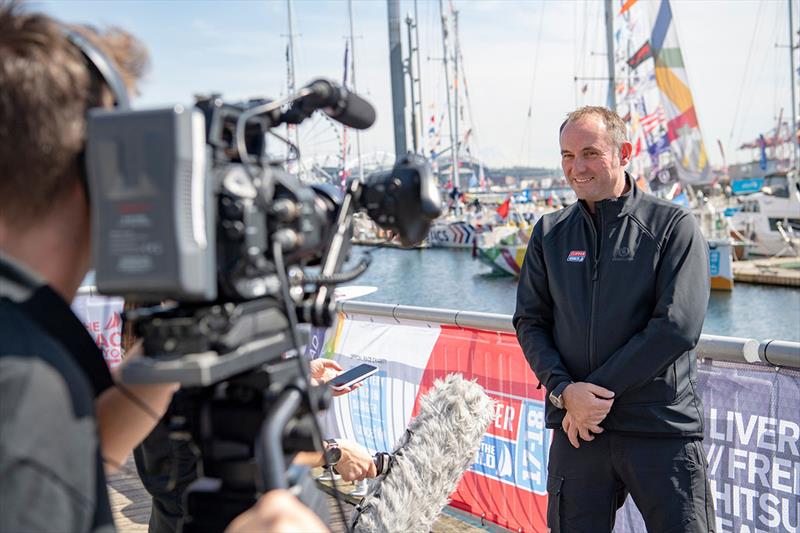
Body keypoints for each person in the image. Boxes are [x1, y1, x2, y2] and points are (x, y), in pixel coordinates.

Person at [0, 3, 324, 531]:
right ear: (96, 170)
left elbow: (74, 463)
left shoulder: (23, 359)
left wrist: (167, 357)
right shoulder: (26, 394)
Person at [513, 106, 715, 532]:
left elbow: (677, 326)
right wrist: (565, 391)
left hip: (659, 427)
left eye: (590, 153)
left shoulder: (672, 225)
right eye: (567, 155)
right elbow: (530, 322)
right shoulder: (549, 233)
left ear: (624, 152)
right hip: (578, 432)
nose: (577, 167)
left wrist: (593, 395)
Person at [135, 356, 378, 533]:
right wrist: (337, 453)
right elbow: (255, 449)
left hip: (166, 520)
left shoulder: (147, 373)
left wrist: (302, 385)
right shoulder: (190, 380)